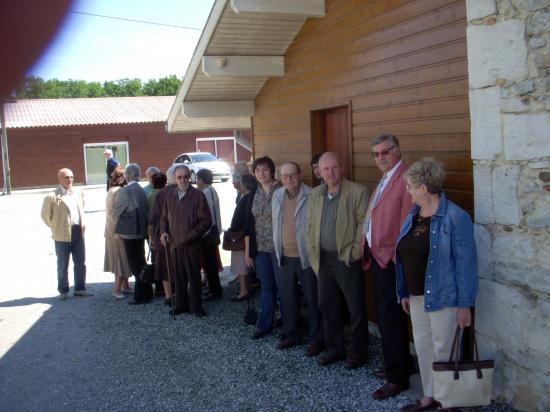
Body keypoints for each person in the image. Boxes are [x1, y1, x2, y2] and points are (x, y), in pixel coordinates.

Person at [396, 158, 478, 412]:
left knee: (444, 348)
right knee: (423, 345)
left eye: (410, 186)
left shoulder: (456, 217)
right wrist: (404, 291)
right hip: (417, 296)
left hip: (444, 297)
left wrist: (465, 304)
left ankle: (447, 401)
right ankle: (430, 395)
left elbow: (466, 265)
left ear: (423, 187)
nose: (407, 191)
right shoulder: (413, 215)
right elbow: (402, 255)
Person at [362, 133, 415, 400]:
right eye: (376, 154)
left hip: (392, 261)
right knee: (387, 316)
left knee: (391, 319)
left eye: (386, 152)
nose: (381, 157)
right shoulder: (386, 177)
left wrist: (396, 260)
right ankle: (401, 363)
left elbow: (407, 224)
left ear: (397, 150)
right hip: (378, 258)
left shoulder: (405, 178)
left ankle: (398, 378)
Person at [305, 152, 369, 369]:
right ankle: (335, 349)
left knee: (355, 308)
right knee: (328, 305)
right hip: (323, 259)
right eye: (325, 169)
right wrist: (313, 252)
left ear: (341, 168)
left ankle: (359, 353)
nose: (330, 173)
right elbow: (310, 225)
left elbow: (364, 225)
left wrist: (355, 252)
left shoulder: (357, 192)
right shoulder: (316, 194)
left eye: (333, 168)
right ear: (319, 172)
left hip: (346, 259)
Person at [272, 161, 324, 356]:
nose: (288, 179)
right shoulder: (277, 195)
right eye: (284, 176)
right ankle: (291, 334)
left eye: (292, 175)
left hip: (306, 258)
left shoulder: (312, 195)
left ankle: (317, 339)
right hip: (284, 256)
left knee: (313, 299)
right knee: (288, 299)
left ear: (300, 175)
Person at [160, 165, 212, 317]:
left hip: (191, 244)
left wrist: (190, 236)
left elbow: (206, 221)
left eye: (185, 176)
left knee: (193, 276)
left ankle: (196, 307)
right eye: (179, 177)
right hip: (174, 244)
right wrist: (163, 232)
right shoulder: (169, 196)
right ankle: (181, 305)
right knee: (179, 277)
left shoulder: (198, 195)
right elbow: (163, 217)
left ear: (190, 177)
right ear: (174, 179)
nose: (183, 179)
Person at [244, 156, 282, 339]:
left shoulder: (282, 190)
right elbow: (248, 225)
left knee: (284, 287)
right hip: (260, 249)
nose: (261, 173)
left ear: (272, 170)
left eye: (265, 169)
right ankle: (265, 324)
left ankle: (287, 323)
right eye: (258, 170)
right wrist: (248, 252)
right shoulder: (253, 193)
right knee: (267, 287)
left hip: (280, 248)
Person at [41, 168, 92, 299]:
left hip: (78, 231)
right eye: (66, 177)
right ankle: (63, 291)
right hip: (62, 234)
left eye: (71, 177)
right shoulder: (51, 197)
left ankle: (80, 288)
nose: (70, 180)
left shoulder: (78, 193)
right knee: (63, 263)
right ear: (59, 179)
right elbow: (45, 216)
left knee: (80, 261)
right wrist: (56, 227)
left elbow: (82, 208)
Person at [112, 163, 153, 305]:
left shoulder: (125, 191)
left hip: (129, 233)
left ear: (126, 175)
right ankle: (147, 292)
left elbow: (115, 211)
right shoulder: (141, 190)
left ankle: (141, 296)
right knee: (141, 262)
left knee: (136, 265)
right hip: (141, 231)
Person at [148, 166, 177, 304]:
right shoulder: (179, 191)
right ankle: (178, 294)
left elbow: (153, 218)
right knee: (177, 266)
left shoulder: (160, 194)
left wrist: (151, 237)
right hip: (175, 236)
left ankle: (168, 296)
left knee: (165, 268)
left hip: (162, 236)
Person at [227, 174, 257, 301]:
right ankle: (247, 289)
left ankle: (244, 292)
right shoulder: (254, 196)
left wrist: (231, 230)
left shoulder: (245, 198)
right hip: (248, 235)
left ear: (245, 185)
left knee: (241, 267)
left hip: (241, 236)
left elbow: (237, 221)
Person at [104, 166, 132, 299]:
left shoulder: (111, 190)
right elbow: (116, 212)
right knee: (121, 261)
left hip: (110, 231)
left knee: (122, 259)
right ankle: (117, 289)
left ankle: (125, 286)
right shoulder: (121, 191)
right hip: (118, 232)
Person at [196, 168, 223, 301]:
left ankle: (215, 290)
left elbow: (207, 215)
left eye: (197, 179)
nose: (196, 182)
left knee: (210, 264)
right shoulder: (212, 190)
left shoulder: (206, 192)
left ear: (201, 179)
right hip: (213, 231)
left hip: (208, 233)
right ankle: (214, 289)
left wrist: (202, 232)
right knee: (211, 263)